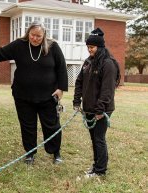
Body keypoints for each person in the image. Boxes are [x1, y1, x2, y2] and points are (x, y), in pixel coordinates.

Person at [0, 21, 68, 165]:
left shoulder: (52, 47)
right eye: (33, 35)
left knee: (52, 125)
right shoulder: (19, 45)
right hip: (23, 96)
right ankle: (30, 153)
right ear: (28, 33)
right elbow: (0, 53)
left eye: (39, 37)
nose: (35, 39)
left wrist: (61, 88)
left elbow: (61, 67)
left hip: (48, 96)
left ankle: (56, 153)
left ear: (44, 36)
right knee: (27, 126)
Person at [73, 28, 121, 177]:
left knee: (99, 138)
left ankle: (100, 171)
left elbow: (107, 90)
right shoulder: (88, 62)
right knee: (94, 138)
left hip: (102, 109)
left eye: (92, 47)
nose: (89, 50)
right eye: (88, 47)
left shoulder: (108, 64)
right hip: (89, 108)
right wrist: (76, 101)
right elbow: (79, 81)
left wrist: (100, 111)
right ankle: (96, 166)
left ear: (100, 47)